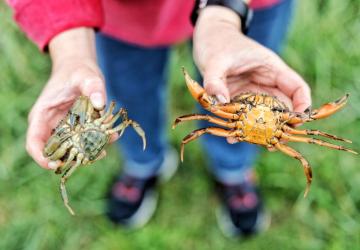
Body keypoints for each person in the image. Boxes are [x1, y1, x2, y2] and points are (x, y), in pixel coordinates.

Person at [9, 0, 310, 237]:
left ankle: (233, 168)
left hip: (249, 6)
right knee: (123, 94)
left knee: (237, 92)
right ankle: (143, 162)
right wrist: (71, 50)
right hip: (127, 13)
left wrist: (223, 14)